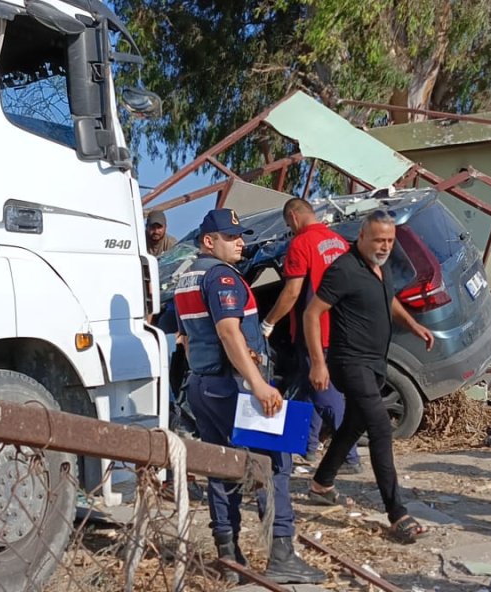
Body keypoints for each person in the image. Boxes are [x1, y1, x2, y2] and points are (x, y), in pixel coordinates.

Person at [174, 208, 326, 584]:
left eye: (240, 235)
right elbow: (229, 332)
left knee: (221, 467)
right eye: (230, 237)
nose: (240, 242)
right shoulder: (221, 277)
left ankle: (229, 559)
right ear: (209, 241)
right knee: (273, 465)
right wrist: (258, 382)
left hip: (201, 385)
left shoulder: (185, 278)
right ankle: (282, 556)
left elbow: (185, 339)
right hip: (235, 387)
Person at [302, 209, 433, 544]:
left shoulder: (380, 266)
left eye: (389, 240)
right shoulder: (344, 269)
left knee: (353, 425)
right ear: (362, 237)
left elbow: (386, 299)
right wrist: (318, 363)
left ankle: (321, 483)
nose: (385, 246)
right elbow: (311, 313)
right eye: (378, 239)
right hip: (349, 363)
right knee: (379, 428)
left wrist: (413, 324)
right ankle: (397, 513)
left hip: (375, 361)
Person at [261, 198, 360, 469]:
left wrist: (268, 324)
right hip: (341, 328)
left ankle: (349, 456)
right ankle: (307, 446)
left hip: (313, 330)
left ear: (293, 217)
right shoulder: (339, 242)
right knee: (306, 390)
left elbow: (293, 292)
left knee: (325, 393)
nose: (290, 229)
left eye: (288, 225)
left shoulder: (300, 244)